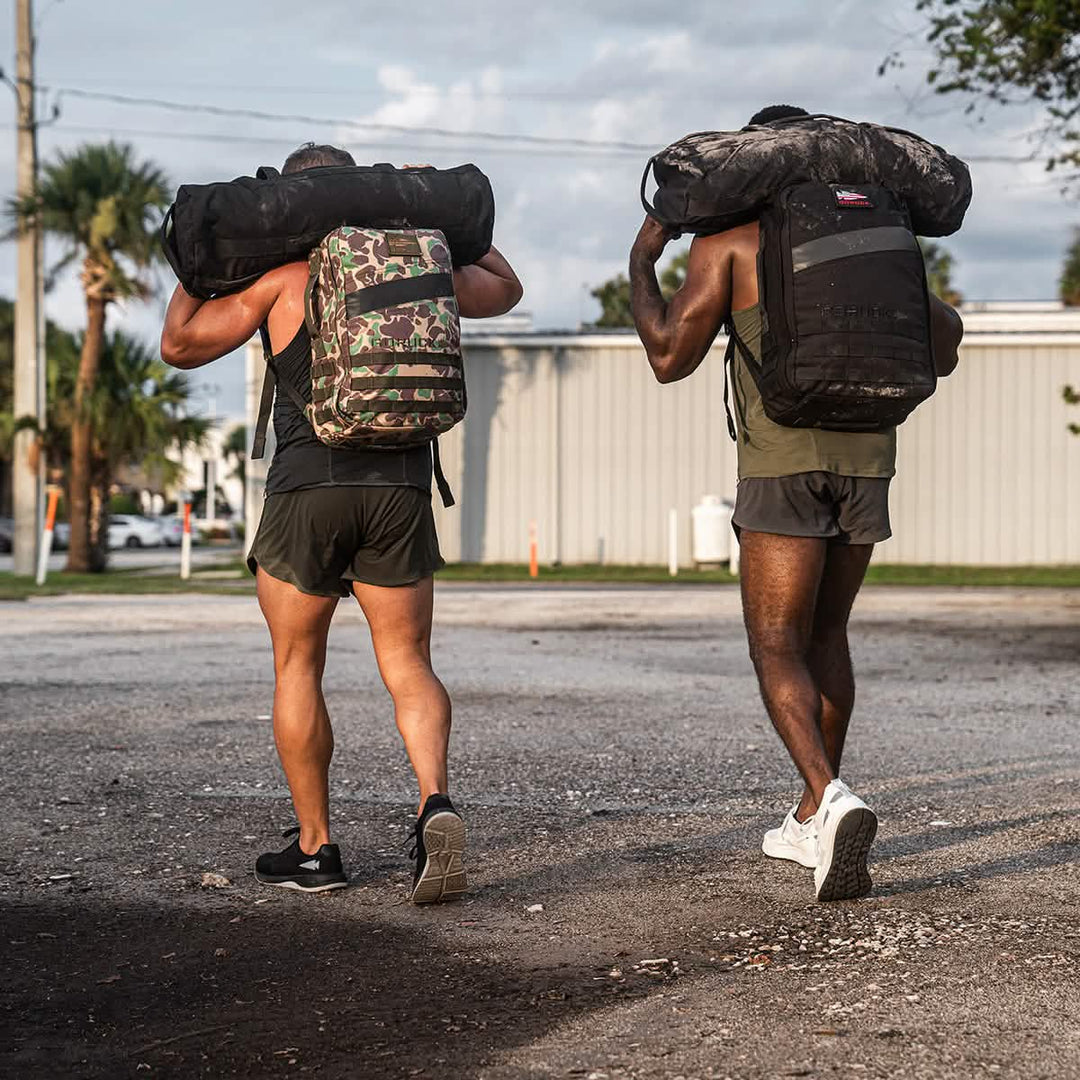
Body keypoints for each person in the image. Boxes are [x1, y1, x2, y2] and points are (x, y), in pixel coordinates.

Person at [161, 142, 523, 901]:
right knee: (409, 664)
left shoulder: (282, 279)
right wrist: (435, 211)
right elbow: (504, 287)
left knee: (299, 668)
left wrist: (200, 262)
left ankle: (317, 850)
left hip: (307, 491)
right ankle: (434, 802)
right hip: (401, 488)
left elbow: (179, 344)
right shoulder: (420, 269)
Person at [628, 107, 963, 901]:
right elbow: (943, 341)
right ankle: (816, 810)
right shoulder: (883, 242)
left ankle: (831, 794)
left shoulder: (730, 243)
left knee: (775, 641)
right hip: (870, 457)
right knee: (828, 634)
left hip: (782, 460)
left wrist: (644, 260)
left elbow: (669, 355)